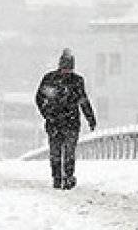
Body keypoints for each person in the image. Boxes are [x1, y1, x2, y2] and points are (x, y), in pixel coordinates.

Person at [35, 48, 97, 189]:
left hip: (66, 122)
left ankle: (67, 177)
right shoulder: (54, 79)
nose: (67, 71)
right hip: (60, 122)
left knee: (67, 152)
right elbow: (39, 98)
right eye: (65, 68)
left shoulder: (69, 81)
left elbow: (83, 101)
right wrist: (47, 114)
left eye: (69, 68)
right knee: (57, 152)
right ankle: (57, 178)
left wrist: (90, 118)